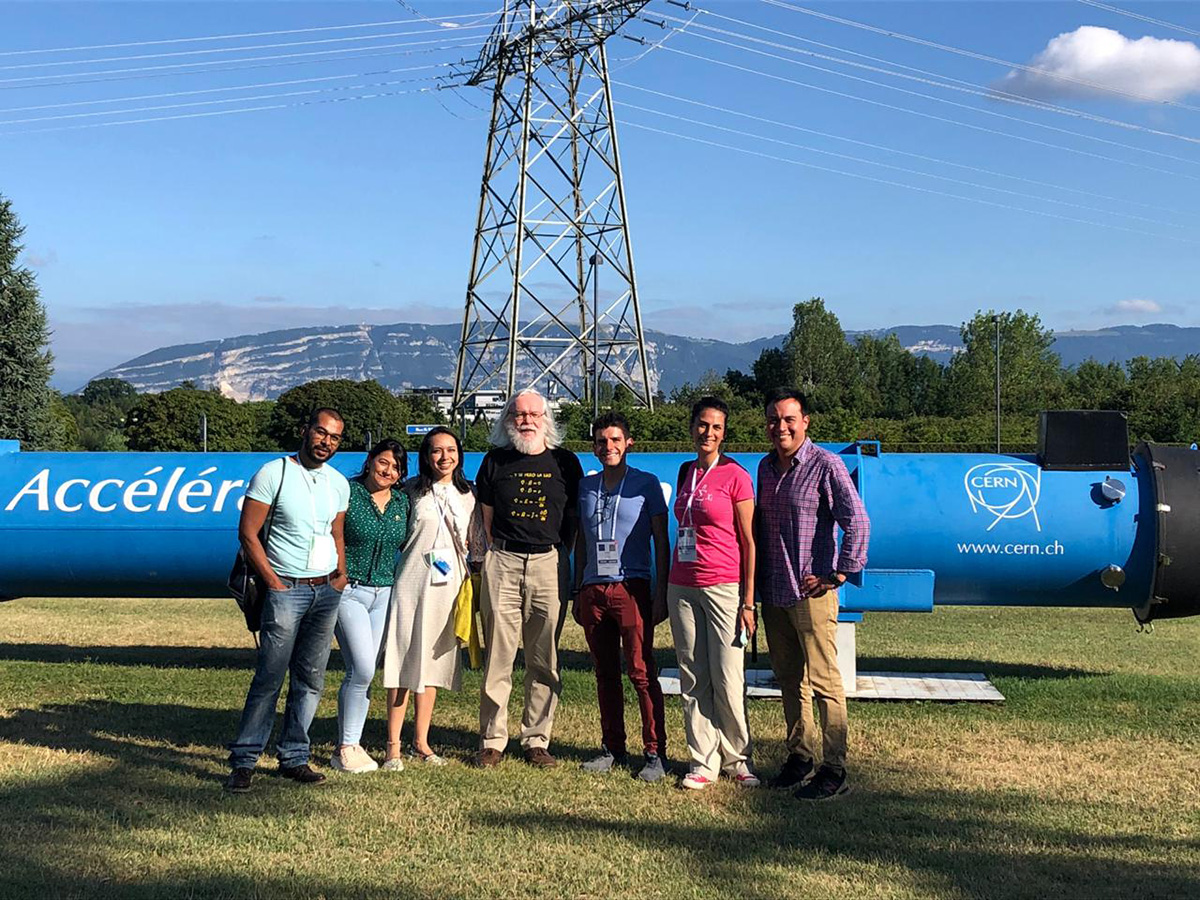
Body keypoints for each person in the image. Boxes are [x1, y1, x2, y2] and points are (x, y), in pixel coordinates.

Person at [225, 408, 351, 793]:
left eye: (334, 437)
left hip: (326, 590)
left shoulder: (338, 483)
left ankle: (294, 756)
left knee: (311, 679)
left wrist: (340, 576)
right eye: (321, 432)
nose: (326, 441)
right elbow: (248, 534)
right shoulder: (273, 473)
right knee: (269, 677)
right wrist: (274, 583)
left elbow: (336, 533)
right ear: (305, 431)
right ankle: (245, 760)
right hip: (286, 590)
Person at [756, 389, 869, 801]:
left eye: (788, 419)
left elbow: (856, 520)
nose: (780, 427)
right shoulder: (766, 468)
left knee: (823, 680)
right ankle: (799, 756)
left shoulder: (826, 465)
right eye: (773, 419)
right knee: (789, 680)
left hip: (811, 591)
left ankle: (834, 766)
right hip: (775, 590)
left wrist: (839, 573)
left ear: (805, 422)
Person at [474, 389, 583, 769]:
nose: (527, 421)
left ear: (547, 419)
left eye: (534, 414)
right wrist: (493, 556)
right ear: (507, 420)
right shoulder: (494, 461)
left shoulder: (566, 462)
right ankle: (492, 739)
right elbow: (485, 519)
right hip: (502, 560)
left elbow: (572, 518)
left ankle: (537, 739)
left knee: (544, 658)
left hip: (548, 564)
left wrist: (558, 555)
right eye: (519, 414)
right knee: (498, 657)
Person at [667, 397, 759, 791]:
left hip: (723, 586)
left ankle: (737, 758)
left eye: (717, 427)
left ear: (724, 433)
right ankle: (702, 759)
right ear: (692, 428)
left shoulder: (736, 476)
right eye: (703, 425)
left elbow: (749, 542)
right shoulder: (686, 471)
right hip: (682, 585)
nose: (709, 433)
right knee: (692, 675)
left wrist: (748, 601)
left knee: (727, 675)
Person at [573, 411, 670, 783]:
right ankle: (612, 747)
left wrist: (659, 593)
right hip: (593, 588)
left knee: (641, 672)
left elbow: (661, 542)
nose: (608, 447)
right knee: (604, 673)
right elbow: (581, 540)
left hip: (632, 586)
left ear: (628, 443)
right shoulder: (587, 487)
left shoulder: (645, 484)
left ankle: (654, 752)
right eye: (601, 441)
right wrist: (577, 590)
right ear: (594, 446)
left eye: (615, 440)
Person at [381, 426, 477, 769]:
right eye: (437, 450)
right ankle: (392, 745)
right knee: (403, 663)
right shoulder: (409, 493)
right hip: (410, 584)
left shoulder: (470, 495)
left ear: (459, 455)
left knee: (433, 664)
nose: (444, 457)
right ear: (426, 456)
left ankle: (421, 742)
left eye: (450, 450)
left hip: (447, 590)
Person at [331, 439, 410, 775]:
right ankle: (345, 747)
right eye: (383, 462)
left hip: (384, 592)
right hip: (351, 590)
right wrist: (339, 574)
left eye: (395, 467)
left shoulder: (402, 502)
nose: (387, 470)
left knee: (364, 671)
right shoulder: (348, 492)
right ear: (370, 461)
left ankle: (353, 742)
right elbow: (332, 532)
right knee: (361, 668)